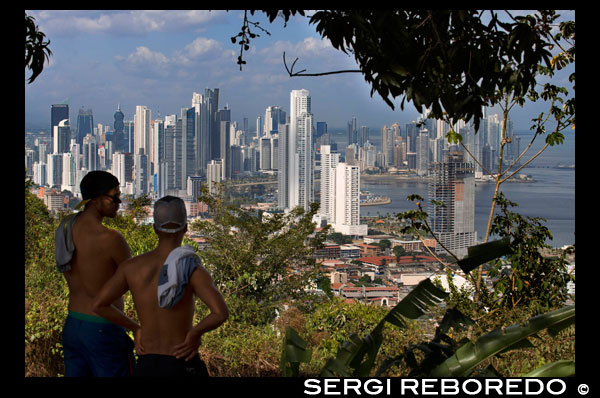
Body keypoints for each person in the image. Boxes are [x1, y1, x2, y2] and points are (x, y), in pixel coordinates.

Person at [93, 195, 229, 377]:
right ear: (186, 228)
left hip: (147, 363)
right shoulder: (192, 270)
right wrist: (196, 333)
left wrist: (135, 328)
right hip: (181, 359)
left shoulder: (132, 268)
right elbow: (220, 313)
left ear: (155, 229)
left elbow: (99, 304)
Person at [54, 170, 138, 377]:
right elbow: (135, 282)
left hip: (73, 324)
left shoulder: (65, 228)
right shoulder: (110, 239)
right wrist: (137, 327)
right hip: (103, 328)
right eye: (114, 196)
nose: (119, 202)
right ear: (97, 199)